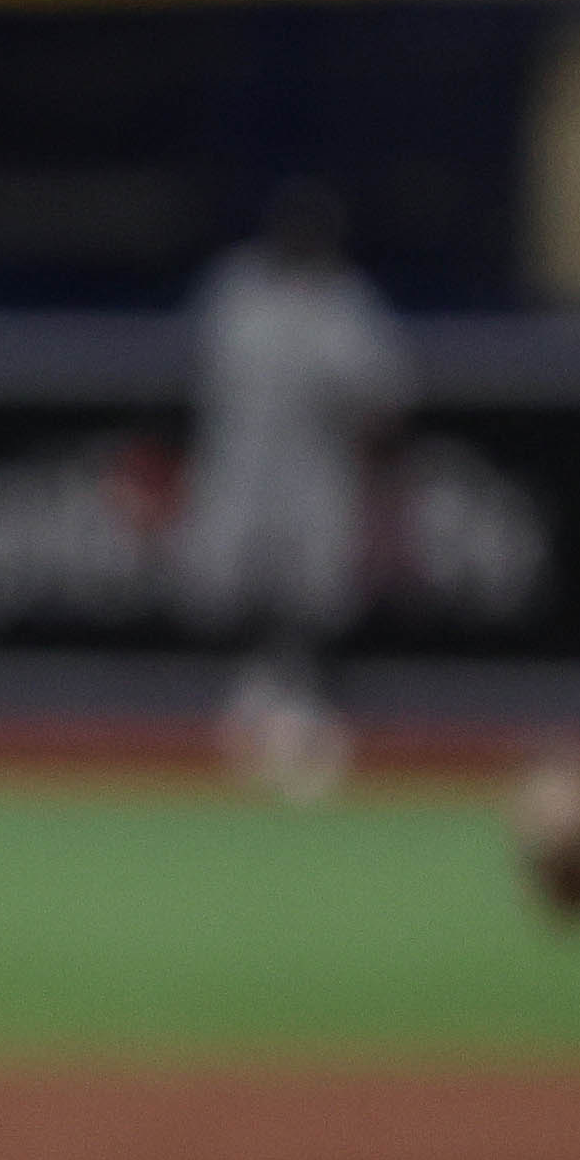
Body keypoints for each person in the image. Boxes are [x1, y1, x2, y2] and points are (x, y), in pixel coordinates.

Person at [183, 179, 414, 799]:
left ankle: (305, 718)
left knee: (315, 604)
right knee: (235, 597)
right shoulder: (236, 291)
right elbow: (194, 385)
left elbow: (385, 408)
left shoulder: (347, 304)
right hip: (240, 473)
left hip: (315, 480)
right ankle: (254, 709)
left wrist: (381, 500)